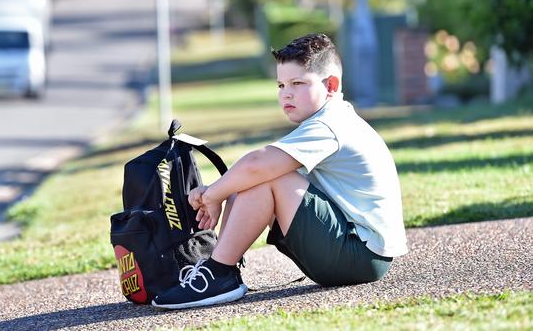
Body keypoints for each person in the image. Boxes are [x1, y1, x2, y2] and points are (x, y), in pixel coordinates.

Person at [152, 33, 408, 310]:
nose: (286, 93)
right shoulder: (328, 120)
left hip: (361, 256)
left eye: (298, 83)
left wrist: (212, 194)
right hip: (353, 252)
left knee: (267, 176)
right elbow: (251, 170)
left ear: (331, 85)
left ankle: (219, 272)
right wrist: (221, 192)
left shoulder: (330, 125)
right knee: (254, 176)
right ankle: (219, 268)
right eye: (281, 84)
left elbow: (256, 166)